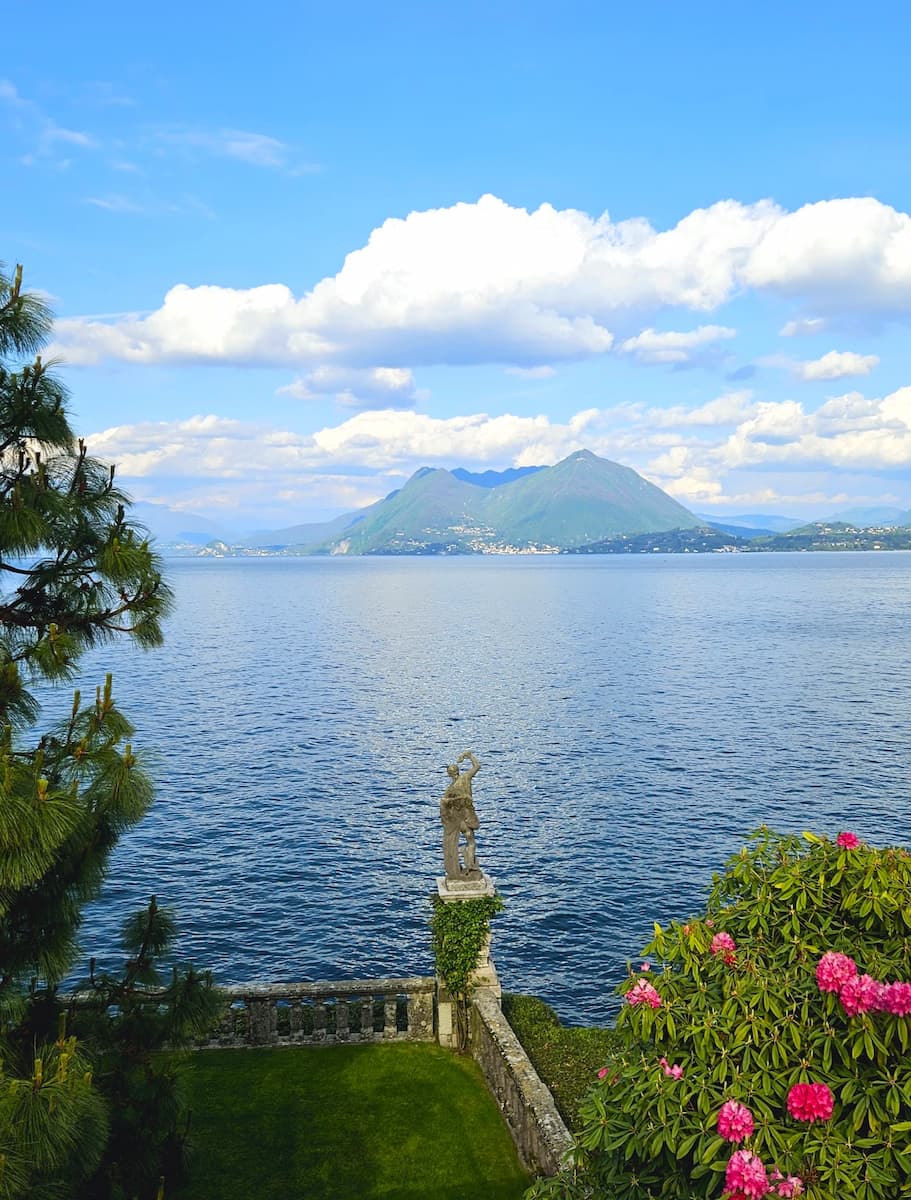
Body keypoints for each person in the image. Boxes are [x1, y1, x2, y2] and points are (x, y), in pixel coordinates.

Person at [440, 750, 481, 880]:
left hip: (458, 820)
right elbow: (477, 766)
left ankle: (467, 865)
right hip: (468, 816)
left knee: (467, 841)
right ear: (458, 771)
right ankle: (471, 866)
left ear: (449, 774)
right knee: (471, 841)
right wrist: (469, 756)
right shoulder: (466, 778)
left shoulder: (450, 789)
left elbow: (445, 805)